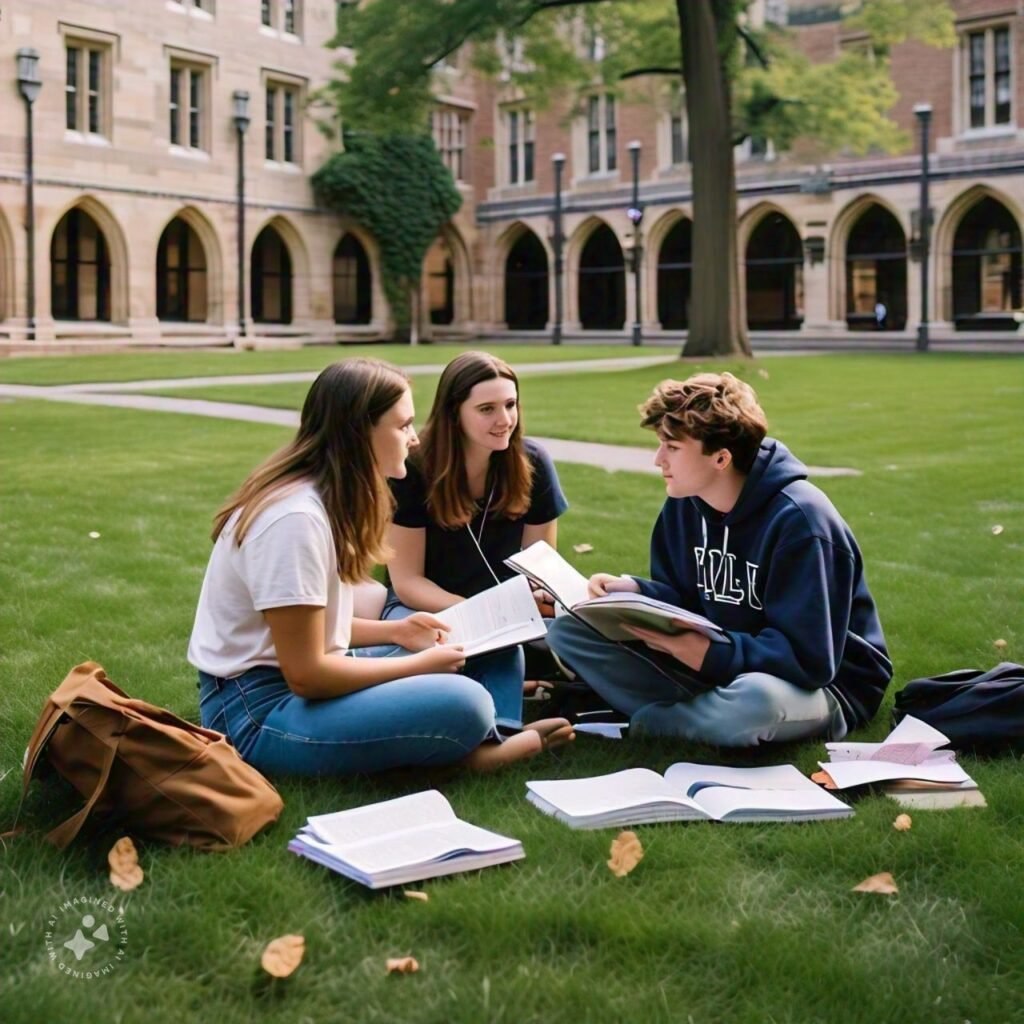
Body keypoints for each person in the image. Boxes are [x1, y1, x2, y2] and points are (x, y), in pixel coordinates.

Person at [188, 358, 572, 777]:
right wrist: (416, 665)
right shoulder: (295, 520)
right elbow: (307, 675)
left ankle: (491, 736)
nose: (414, 440)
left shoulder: (320, 502)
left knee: (482, 645)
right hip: (258, 711)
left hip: (293, 682)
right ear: (360, 432)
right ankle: (472, 754)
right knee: (464, 701)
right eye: (403, 425)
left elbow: (310, 630)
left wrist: (397, 631)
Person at [546, 371, 893, 746]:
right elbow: (687, 598)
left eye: (672, 447)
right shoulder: (683, 506)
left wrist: (711, 654)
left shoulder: (802, 523)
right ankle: (702, 717)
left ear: (721, 458)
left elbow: (810, 661)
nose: (657, 459)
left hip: (823, 688)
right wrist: (633, 591)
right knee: (569, 629)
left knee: (755, 703)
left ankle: (650, 723)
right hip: (723, 665)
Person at [384, 351, 570, 687]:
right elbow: (408, 582)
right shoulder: (412, 469)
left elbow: (539, 571)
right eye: (487, 409)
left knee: (574, 640)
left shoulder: (534, 463)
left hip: (510, 613)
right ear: (454, 413)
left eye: (510, 405)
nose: (505, 420)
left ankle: (508, 718)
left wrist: (527, 605)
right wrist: (481, 612)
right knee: (451, 649)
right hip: (426, 607)